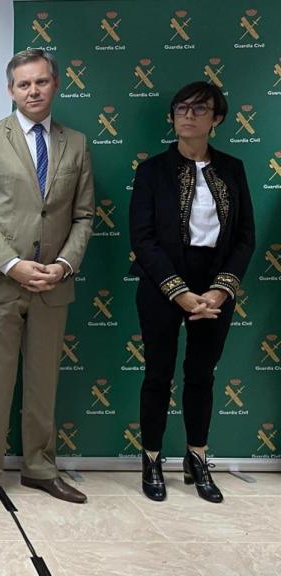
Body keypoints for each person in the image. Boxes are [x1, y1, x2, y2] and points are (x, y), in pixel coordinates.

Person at [0, 49, 94, 514]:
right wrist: (12, 263)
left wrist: (64, 265)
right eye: (24, 84)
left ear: (55, 84)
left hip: (53, 286)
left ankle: (40, 469)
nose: (33, 91)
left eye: (40, 82)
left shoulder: (75, 142)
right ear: (11, 90)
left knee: (42, 386)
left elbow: (83, 215)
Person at [129, 81, 255, 503]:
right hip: (163, 282)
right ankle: (151, 459)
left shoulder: (233, 168)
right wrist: (179, 292)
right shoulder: (151, 171)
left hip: (216, 285)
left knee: (202, 375)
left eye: (199, 110)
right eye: (181, 108)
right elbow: (142, 238)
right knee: (158, 374)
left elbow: (244, 238)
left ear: (216, 119)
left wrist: (220, 291)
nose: (188, 115)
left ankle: (197, 458)